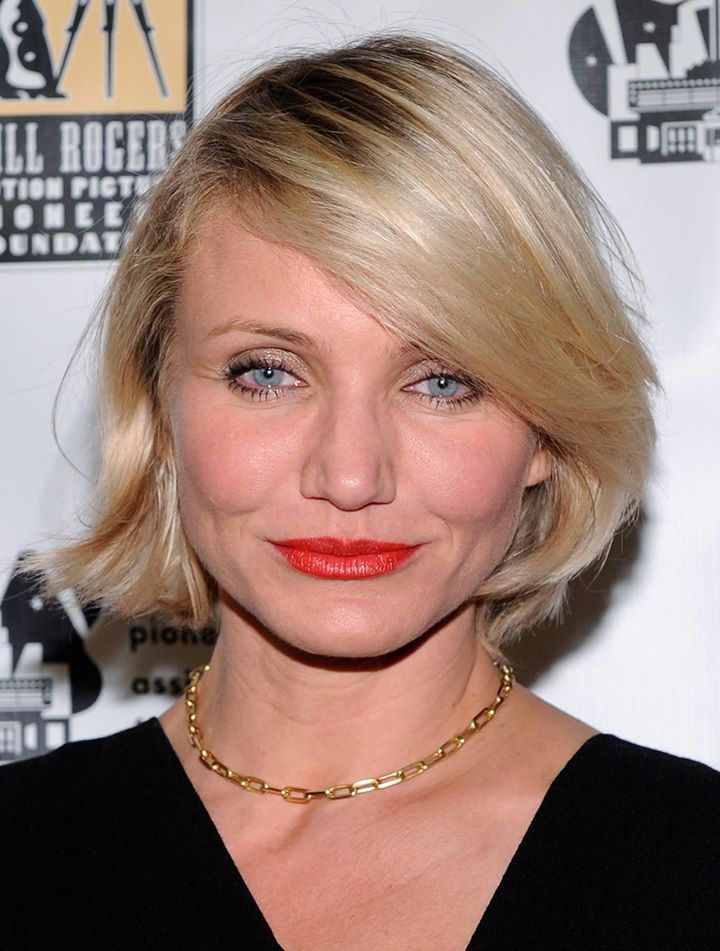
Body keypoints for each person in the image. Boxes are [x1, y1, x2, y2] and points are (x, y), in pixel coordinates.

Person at [1, 31, 717, 951]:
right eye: (268, 372)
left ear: (545, 430)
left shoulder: (695, 864)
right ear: (161, 405)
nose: (349, 476)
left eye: (442, 381)